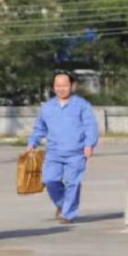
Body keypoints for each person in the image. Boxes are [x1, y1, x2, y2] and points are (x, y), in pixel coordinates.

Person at [24, 71, 99, 224]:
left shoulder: (82, 105)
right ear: (53, 87)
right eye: (58, 85)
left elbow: (91, 126)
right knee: (49, 180)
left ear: (72, 86)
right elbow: (39, 128)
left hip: (76, 152)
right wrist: (32, 143)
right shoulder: (47, 107)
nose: (61, 88)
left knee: (73, 183)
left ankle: (68, 214)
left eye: (65, 85)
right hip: (54, 152)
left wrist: (89, 144)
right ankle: (63, 204)